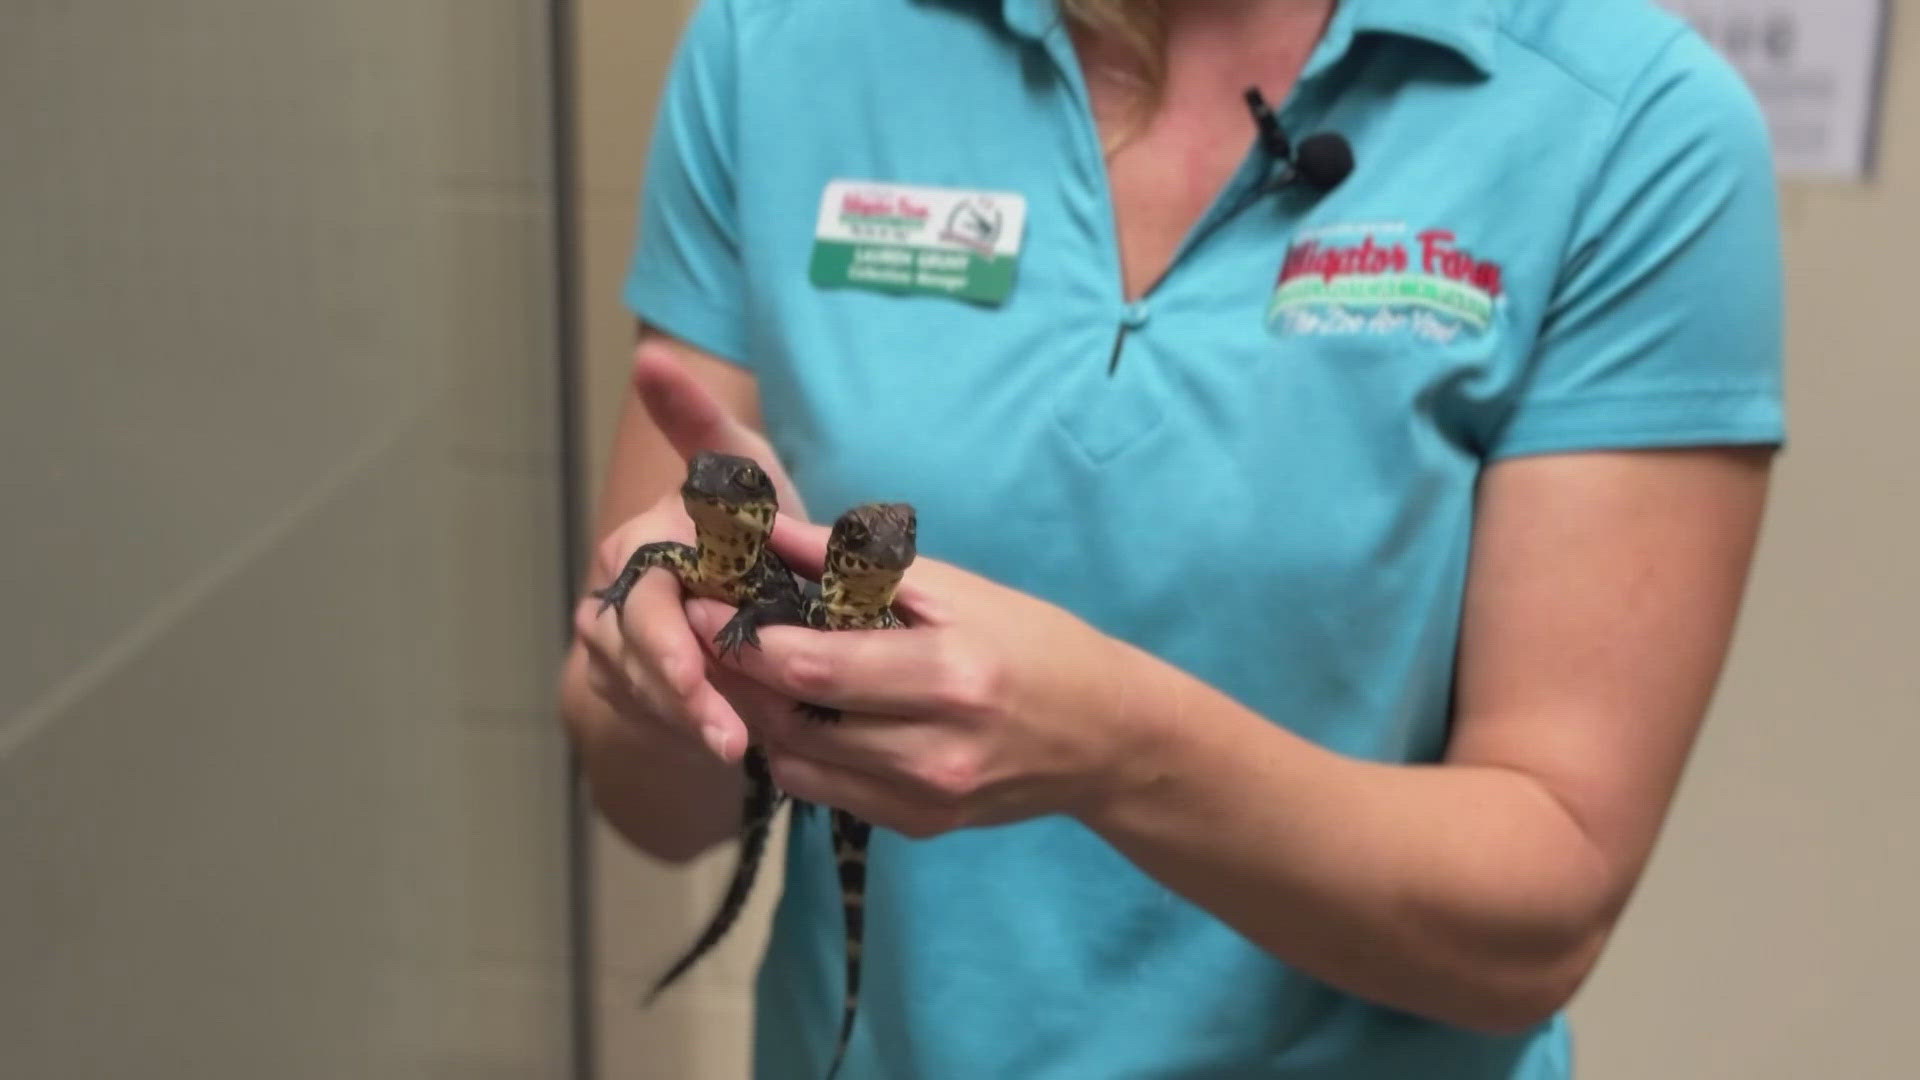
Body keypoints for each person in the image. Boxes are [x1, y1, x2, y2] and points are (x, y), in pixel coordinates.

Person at [558, 0, 1785, 1075]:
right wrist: (695, 665)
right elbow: (651, 804)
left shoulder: (1627, 121)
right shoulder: (780, 44)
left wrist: (1119, 751)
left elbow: (1538, 923)